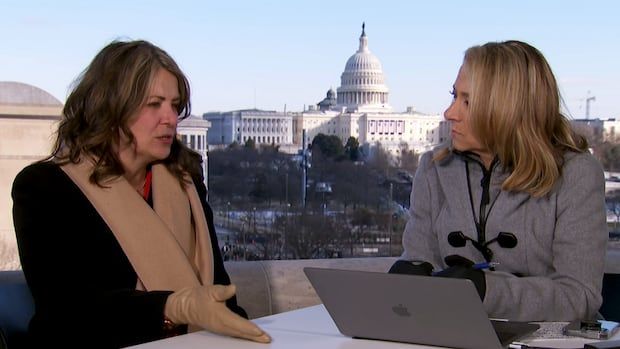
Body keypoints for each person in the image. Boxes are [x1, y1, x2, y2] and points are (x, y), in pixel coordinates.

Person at [12, 40, 271, 347]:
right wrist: (171, 307)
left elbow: (220, 296)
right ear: (110, 108)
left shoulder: (186, 184)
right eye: (154, 104)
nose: (171, 119)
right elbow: (68, 309)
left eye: (175, 105)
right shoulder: (45, 188)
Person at [392, 40, 607, 322]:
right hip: (454, 333)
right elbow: (422, 263)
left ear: (507, 110)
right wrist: (410, 280)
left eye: (467, 102)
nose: (449, 113)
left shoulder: (576, 175)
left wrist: (485, 291)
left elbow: (579, 296)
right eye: (453, 96)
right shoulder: (434, 169)